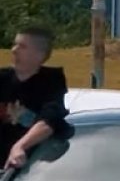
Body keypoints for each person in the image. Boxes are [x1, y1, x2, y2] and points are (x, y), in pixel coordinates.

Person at [0, 27, 69, 169]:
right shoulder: (2, 78)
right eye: (15, 44)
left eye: (22, 46)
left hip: (35, 169)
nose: (14, 50)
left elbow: (49, 121)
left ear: (40, 55)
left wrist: (20, 146)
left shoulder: (51, 81)